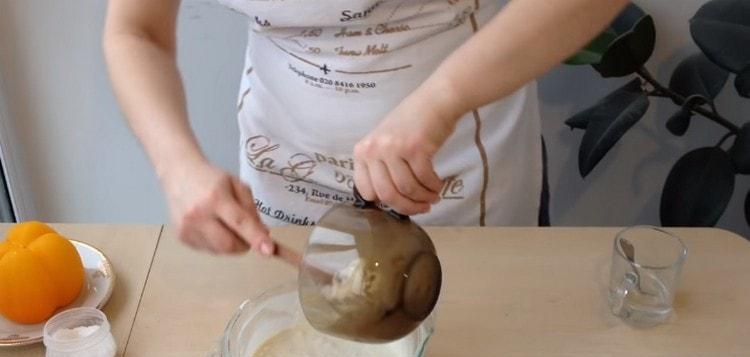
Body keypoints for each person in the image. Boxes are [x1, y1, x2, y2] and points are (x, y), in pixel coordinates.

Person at [104, 0, 628, 255]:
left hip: (456, 166)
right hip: (283, 167)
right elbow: (136, 32)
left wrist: (441, 102)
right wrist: (178, 169)